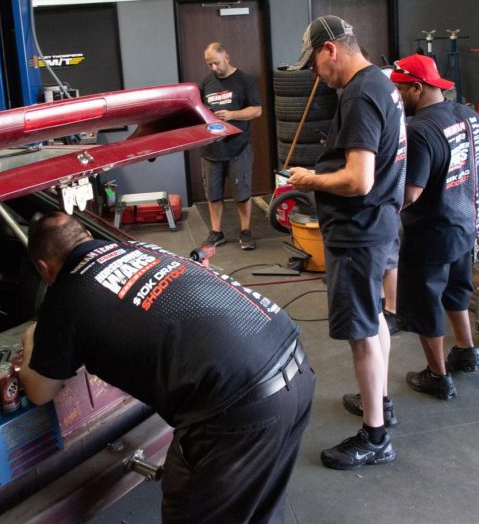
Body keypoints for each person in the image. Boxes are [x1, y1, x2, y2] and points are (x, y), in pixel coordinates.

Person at [18, 212, 314, 523]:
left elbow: (39, 391)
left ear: (44, 267)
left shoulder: (64, 297)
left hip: (237, 407)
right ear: (87, 237)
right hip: (293, 362)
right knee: (258, 511)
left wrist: (31, 340)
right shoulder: (140, 248)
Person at [286, 15, 406, 470]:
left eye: (314, 64)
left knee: (360, 333)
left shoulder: (359, 94)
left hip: (359, 230)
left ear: (330, 50)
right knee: (374, 318)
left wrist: (310, 179)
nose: (316, 74)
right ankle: (380, 401)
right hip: (380, 221)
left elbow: (358, 179)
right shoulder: (383, 84)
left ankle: (375, 438)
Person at [390, 53, 479, 401]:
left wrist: (379, 208)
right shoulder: (471, 116)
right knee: (457, 288)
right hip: (464, 220)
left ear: (417, 87)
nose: (396, 97)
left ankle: (437, 376)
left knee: (425, 302)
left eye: (400, 90)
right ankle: (467, 350)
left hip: (431, 232)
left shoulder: (419, 131)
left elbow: (410, 193)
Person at [199, 42, 263, 250]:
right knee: (213, 194)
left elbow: (257, 110)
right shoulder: (206, 83)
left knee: (242, 194)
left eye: (216, 63)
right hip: (211, 149)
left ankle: (245, 231)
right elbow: (198, 111)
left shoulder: (244, 80)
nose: (214, 68)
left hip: (238, 147)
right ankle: (216, 233)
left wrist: (231, 114)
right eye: (209, 64)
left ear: (227, 57)